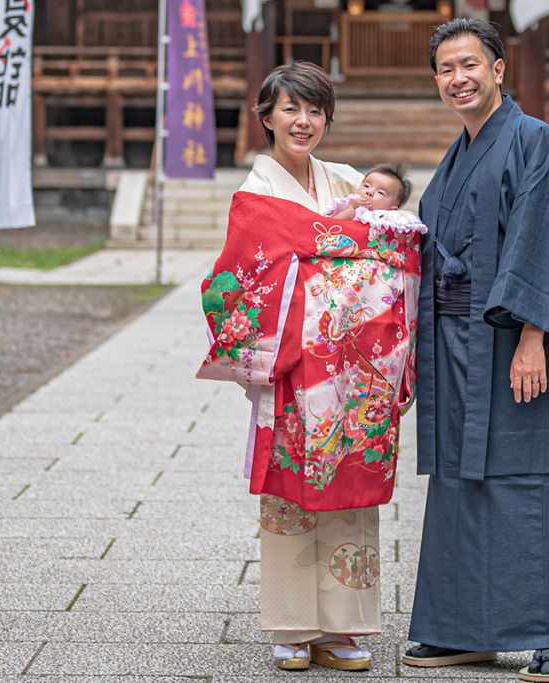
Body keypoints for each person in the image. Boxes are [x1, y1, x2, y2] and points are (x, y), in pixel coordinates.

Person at [400, 19, 549, 683]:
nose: (458, 78)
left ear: (497, 69)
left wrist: (534, 336)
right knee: (459, 478)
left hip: (511, 338)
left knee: (524, 477)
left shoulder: (532, 139)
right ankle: (462, 631)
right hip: (454, 341)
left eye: (469, 64)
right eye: (445, 69)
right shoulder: (457, 155)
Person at [208, 61, 390, 673]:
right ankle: (291, 624)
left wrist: (327, 252)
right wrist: (326, 251)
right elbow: (238, 279)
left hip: (349, 368)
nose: (303, 121)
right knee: (290, 493)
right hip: (292, 364)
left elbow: (385, 247)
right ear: (266, 117)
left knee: (348, 487)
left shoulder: (348, 182)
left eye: (315, 110)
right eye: (290, 109)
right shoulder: (256, 192)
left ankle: (343, 625)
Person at [326, 163, 427, 234]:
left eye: (380, 192)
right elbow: (331, 224)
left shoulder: (390, 220)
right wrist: (352, 208)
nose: (369, 192)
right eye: (366, 186)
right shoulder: (351, 206)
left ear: (392, 209)